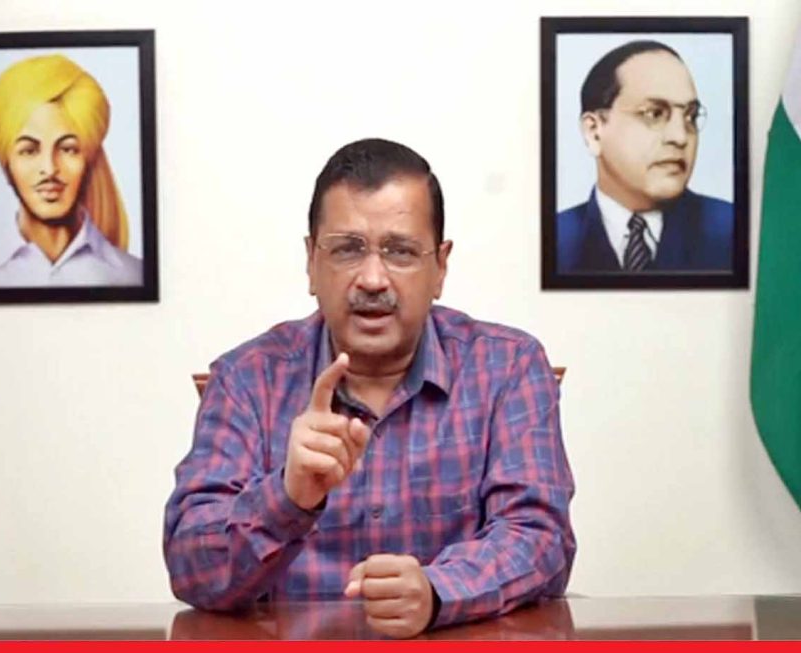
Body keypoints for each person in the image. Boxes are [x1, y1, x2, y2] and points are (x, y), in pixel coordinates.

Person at [164, 138, 575, 638]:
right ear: (312, 261)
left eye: (400, 251)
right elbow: (191, 567)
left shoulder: (507, 368)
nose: (374, 279)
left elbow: (541, 540)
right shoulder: (247, 380)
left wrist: (438, 591)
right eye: (347, 249)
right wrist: (288, 497)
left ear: (440, 266)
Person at [556, 40, 734, 273]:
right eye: (654, 114)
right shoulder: (554, 241)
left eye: (690, 116)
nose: (680, 137)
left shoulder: (732, 231)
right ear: (594, 132)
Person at [0, 54, 142, 287]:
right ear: (7, 164)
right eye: (29, 151)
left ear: (89, 159)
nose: (49, 169)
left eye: (68, 149)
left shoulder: (134, 275)